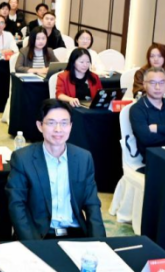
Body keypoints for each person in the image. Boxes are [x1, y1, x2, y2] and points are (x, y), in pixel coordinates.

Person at [6, 99, 106, 240]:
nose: (58, 129)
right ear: (40, 126)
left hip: (74, 232)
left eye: (64, 123)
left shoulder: (83, 158)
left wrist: (100, 241)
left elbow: (92, 204)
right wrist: (32, 244)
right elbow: (16, 205)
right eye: (51, 123)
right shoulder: (23, 159)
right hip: (39, 235)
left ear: (71, 126)